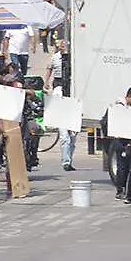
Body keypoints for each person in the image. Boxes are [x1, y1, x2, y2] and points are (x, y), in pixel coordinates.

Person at [102, 87, 131, 200]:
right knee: (122, 166)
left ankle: (129, 190)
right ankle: (120, 190)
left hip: (128, 140)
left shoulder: (128, 108)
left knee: (130, 166)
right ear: (129, 96)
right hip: (120, 141)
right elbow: (106, 122)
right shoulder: (119, 107)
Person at [46, 39, 77, 171]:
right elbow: (49, 69)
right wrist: (46, 81)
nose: (64, 48)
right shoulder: (55, 58)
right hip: (59, 93)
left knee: (73, 136)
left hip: (72, 97)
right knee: (65, 136)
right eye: (62, 46)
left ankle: (69, 159)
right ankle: (66, 161)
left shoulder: (74, 58)